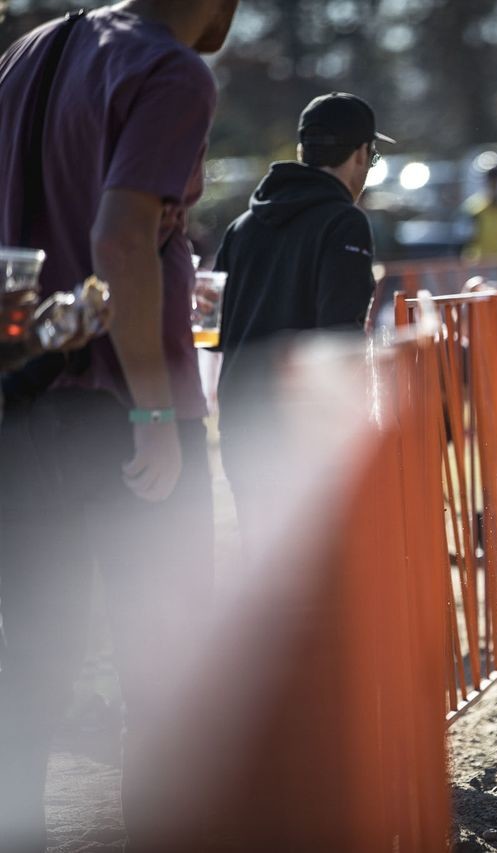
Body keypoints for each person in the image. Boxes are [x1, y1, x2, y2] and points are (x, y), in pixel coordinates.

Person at [0, 1, 240, 850]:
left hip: (23, 408)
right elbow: (120, 240)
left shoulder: (31, 50)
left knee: (29, 678)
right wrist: (152, 407)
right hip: (122, 415)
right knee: (168, 677)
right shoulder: (169, 70)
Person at [213, 91, 389, 560]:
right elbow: (340, 341)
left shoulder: (241, 227)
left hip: (241, 423)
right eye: (372, 156)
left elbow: (213, 328)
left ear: (300, 153)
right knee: (323, 577)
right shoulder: (344, 223)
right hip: (304, 431)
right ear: (360, 155)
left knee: (266, 569)